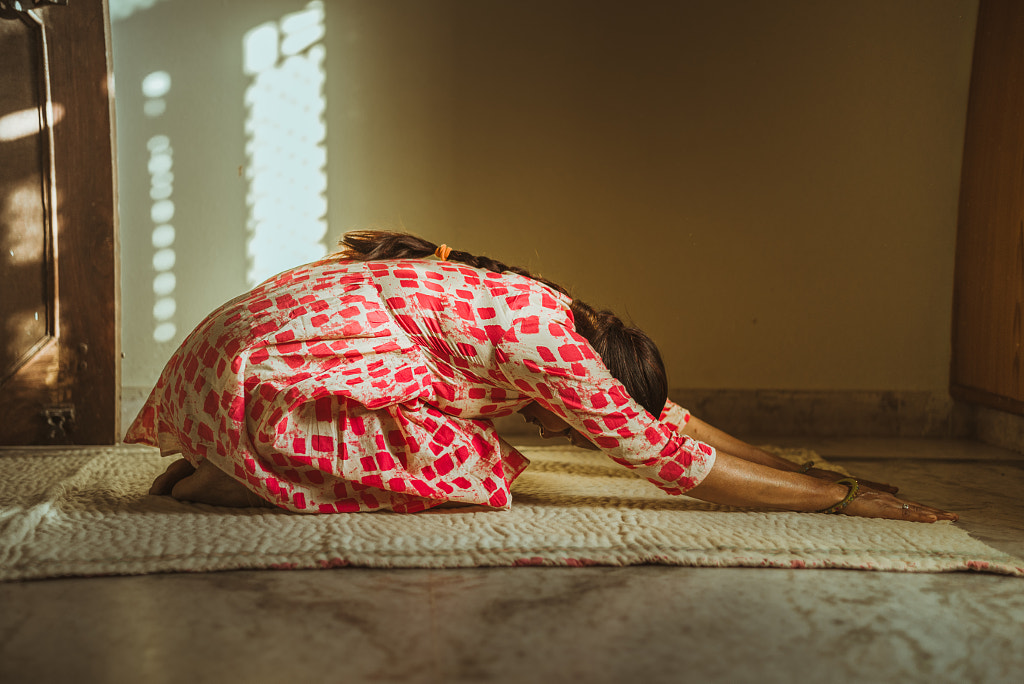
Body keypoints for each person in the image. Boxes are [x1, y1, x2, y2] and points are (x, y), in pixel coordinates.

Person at [127, 230, 956, 523]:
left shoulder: (558, 312)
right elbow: (671, 461)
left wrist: (803, 467)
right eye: (584, 415)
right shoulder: (558, 354)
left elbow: (668, 423)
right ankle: (227, 484)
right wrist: (844, 502)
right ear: (599, 377)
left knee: (463, 435)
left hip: (239, 354)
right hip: (275, 366)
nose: (571, 429)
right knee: (468, 464)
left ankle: (221, 457)